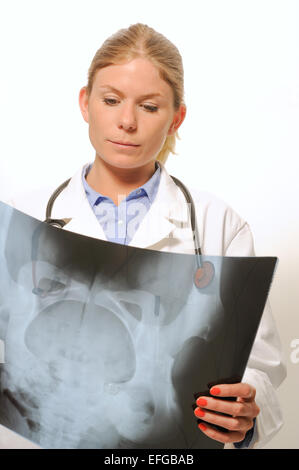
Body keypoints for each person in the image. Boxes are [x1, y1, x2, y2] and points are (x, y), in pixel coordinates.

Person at [4, 23, 286, 449]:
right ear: (86, 103)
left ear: (177, 117)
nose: (126, 122)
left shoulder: (217, 224)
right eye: (111, 100)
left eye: (149, 107)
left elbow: (261, 366)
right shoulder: (19, 217)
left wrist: (247, 408)